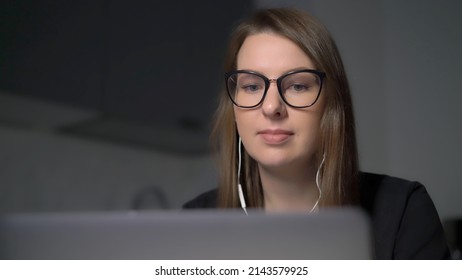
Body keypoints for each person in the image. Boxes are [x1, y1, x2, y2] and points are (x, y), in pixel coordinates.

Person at [182, 8, 450, 259]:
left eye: (297, 86)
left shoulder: (403, 212)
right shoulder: (192, 224)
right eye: (251, 86)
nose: (272, 106)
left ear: (331, 102)